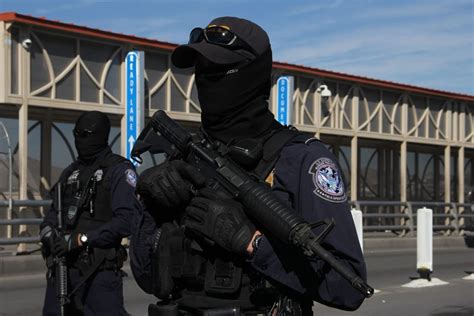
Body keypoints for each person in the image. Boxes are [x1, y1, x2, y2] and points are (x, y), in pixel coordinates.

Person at [130, 16, 368, 315]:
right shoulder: (186, 159)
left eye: (217, 71)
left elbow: (348, 288)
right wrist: (149, 207)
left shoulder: (302, 160)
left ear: (250, 74)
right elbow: (147, 277)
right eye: (200, 71)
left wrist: (252, 243)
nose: (204, 80)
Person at [40, 111, 141, 315]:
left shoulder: (119, 170)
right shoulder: (70, 172)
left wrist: (80, 239)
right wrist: (50, 236)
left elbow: (126, 220)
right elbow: (51, 215)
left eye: (84, 134)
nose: (79, 139)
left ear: (100, 134)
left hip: (98, 272)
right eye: (76, 133)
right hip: (63, 269)